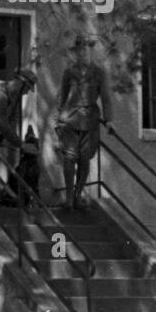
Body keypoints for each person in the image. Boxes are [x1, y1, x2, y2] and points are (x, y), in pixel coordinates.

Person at [54, 36, 111, 211]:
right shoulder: (69, 72)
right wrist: (59, 115)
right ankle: (69, 197)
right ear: (76, 53)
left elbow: (106, 97)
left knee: (85, 158)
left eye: (86, 50)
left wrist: (109, 120)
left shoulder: (99, 72)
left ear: (90, 52)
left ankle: (78, 196)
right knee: (69, 157)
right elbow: (62, 96)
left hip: (90, 119)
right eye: (80, 50)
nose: (83, 53)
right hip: (70, 118)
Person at [0, 69, 38, 205]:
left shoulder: (10, 94)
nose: (27, 92)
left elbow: (8, 121)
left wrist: (4, 139)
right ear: (20, 83)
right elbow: (3, 125)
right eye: (27, 88)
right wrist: (22, 145)